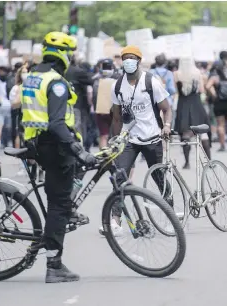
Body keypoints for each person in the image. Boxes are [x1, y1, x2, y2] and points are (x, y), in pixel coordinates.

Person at [20, 32, 96, 283]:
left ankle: (66, 215)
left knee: (65, 190)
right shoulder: (56, 83)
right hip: (55, 148)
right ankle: (54, 265)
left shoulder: (32, 77)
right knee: (58, 206)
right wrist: (77, 149)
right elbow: (56, 123)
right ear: (63, 55)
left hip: (37, 144)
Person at [101, 45, 173, 236]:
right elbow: (116, 117)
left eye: (132, 58)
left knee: (159, 179)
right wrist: (115, 140)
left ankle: (171, 214)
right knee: (120, 178)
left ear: (139, 61)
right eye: (125, 58)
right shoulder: (117, 85)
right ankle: (115, 221)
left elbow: (167, 108)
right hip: (129, 140)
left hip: (152, 137)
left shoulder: (151, 82)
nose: (128, 61)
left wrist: (166, 126)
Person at [174, 57, 211, 169]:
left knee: (185, 134)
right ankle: (209, 160)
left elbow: (176, 90)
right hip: (196, 104)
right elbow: (202, 90)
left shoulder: (176, 74)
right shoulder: (197, 73)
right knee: (203, 133)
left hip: (183, 104)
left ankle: (187, 162)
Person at [206, 63, 227, 151]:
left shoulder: (214, 78)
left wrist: (214, 95)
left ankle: (223, 146)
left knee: (221, 125)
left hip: (219, 103)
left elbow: (207, 86)